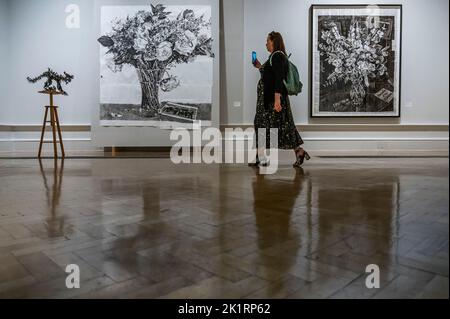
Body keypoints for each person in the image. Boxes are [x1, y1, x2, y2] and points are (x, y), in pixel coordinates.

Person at [251, 31, 310, 167]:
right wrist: (260, 66)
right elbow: (269, 77)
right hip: (269, 100)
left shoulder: (278, 56)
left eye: (268, 41)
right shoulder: (274, 56)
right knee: (274, 126)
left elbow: (278, 80)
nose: (266, 43)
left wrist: (277, 100)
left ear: (274, 41)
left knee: (275, 126)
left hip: (273, 100)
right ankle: (296, 151)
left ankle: (263, 156)